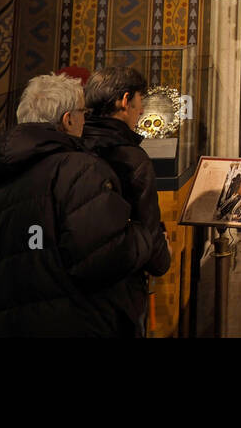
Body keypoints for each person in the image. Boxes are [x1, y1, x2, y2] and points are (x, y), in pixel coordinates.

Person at [0, 73, 153, 337]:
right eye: (82, 113)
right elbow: (105, 257)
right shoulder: (80, 170)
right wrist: (142, 235)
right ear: (68, 120)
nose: (85, 120)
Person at [81, 66, 171, 338]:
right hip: (121, 287)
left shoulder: (74, 146)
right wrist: (161, 258)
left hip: (76, 286)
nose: (141, 110)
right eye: (139, 101)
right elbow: (150, 233)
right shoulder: (133, 160)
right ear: (124, 100)